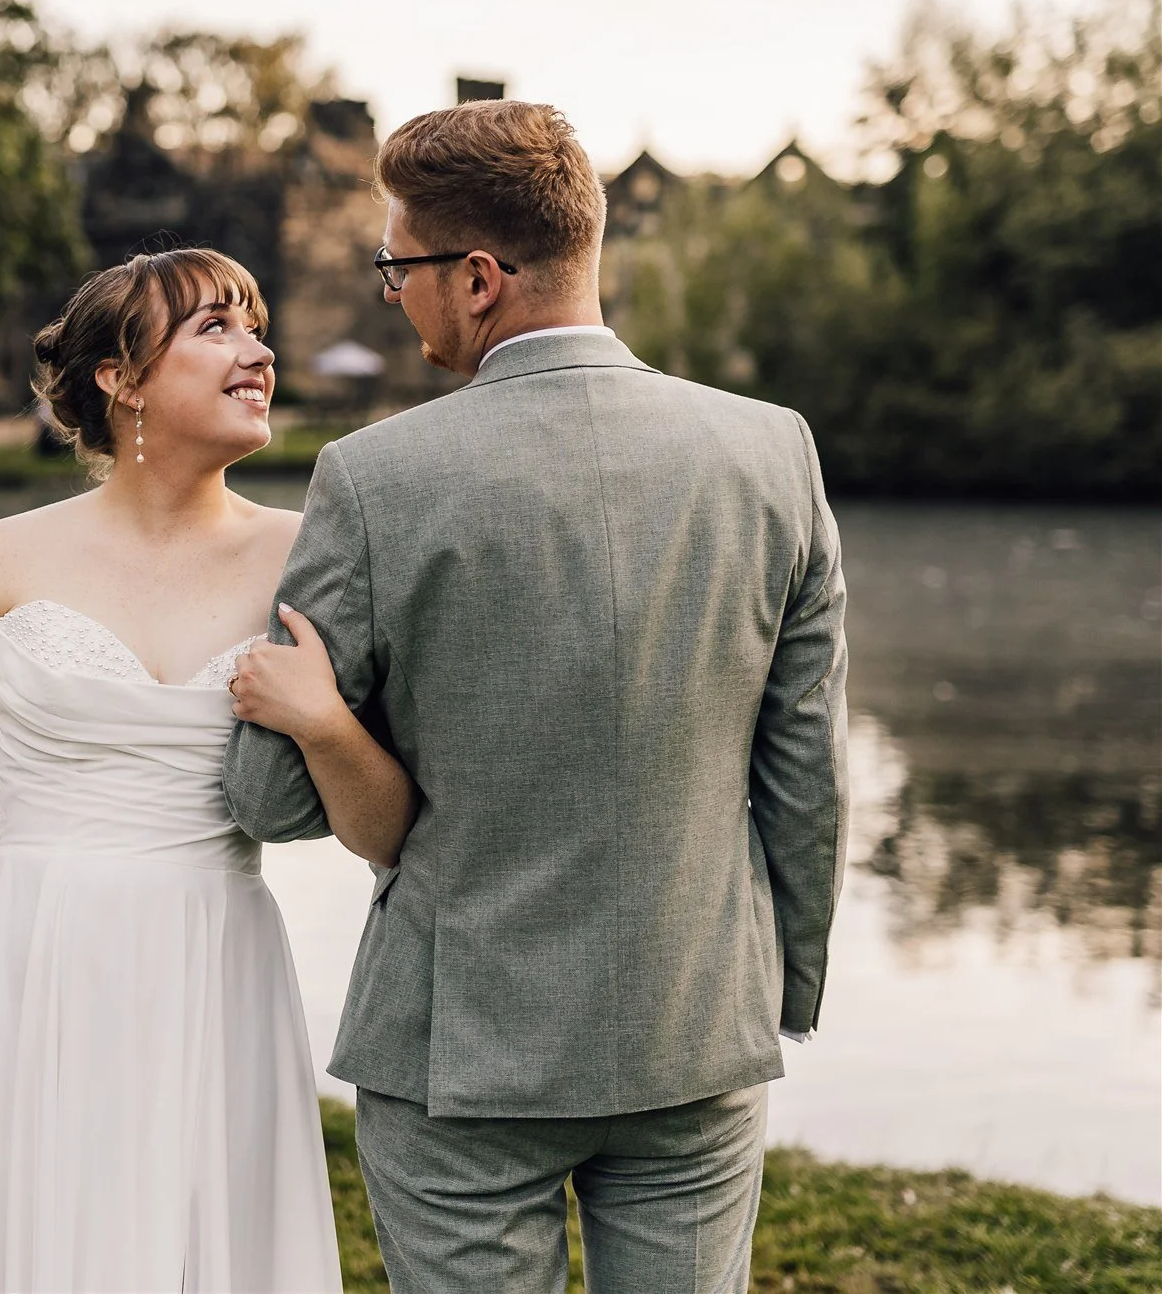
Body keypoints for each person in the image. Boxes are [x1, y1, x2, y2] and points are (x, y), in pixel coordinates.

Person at [223, 100, 850, 1293]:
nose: (387, 292)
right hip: (696, 1031)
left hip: (460, 1054)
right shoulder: (772, 453)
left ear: (474, 278)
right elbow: (804, 774)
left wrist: (324, 720)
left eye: (395, 267)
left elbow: (265, 798)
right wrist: (779, 992)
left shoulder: (370, 481)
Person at [0, 248, 402, 1291]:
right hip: (20, 967)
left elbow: (383, 831)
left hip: (211, 961)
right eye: (215, 328)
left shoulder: (312, 558)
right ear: (119, 376)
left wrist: (326, 725)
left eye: (255, 327)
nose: (258, 352)